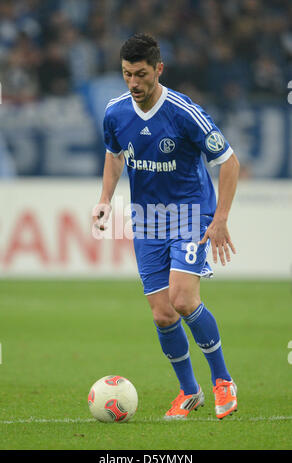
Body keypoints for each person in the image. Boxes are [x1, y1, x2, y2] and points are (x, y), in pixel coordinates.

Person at [92, 33, 240, 420]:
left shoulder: (183, 111)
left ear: (159, 69)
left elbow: (229, 161)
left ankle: (223, 380)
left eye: (141, 74)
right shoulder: (116, 112)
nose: (133, 84)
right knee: (162, 313)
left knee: (183, 298)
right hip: (148, 220)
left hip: (190, 213)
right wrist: (105, 200)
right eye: (126, 75)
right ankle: (189, 392)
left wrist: (220, 217)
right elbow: (114, 156)